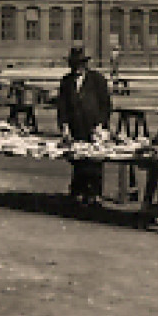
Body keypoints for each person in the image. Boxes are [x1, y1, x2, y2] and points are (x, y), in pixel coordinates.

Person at [56, 48, 113, 204]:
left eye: (80, 64)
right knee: (78, 159)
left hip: (95, 126)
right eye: (74, 64)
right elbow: (62, 106)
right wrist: (64, 127)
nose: (77, 68)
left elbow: (105, 105)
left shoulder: (97, 80)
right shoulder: (66, 81)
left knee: (95, 160)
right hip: (76, 126)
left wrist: (101, 125)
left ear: (85, 64)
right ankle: (78, 191)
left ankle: (95, 193)